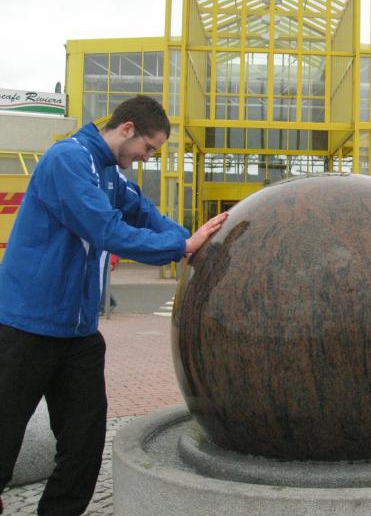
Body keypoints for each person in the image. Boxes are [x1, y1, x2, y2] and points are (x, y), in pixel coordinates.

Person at [0, 95, 228, 516]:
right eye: (148, 148)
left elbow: (141, 212)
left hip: (78, 333)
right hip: (27, 326)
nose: (147, 157)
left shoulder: (109, 172)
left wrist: (192, 241)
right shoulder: (68, 160)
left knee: (84, 440)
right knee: (4, 433)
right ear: (127, 129)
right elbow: (105, 230)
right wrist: (180, 247)